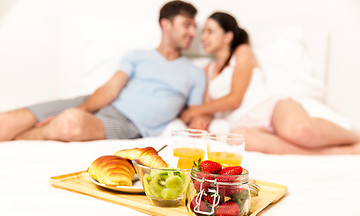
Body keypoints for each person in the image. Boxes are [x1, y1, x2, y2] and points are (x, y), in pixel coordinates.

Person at [0, 0, 206, 142]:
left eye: (194, 26)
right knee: (6, 121)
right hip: (97, 102)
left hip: (131, 125)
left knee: (68, 123)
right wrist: (82, 108)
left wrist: (204, 120)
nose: (192, 32)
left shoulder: (194, 73)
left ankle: (15, 142)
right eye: (186, 25)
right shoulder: (136, 55)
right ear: (166, 25)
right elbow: (111, 88)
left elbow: (195, 114)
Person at [180, 12, 360, 155]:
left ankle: (356, 138)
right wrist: (199, 121)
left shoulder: (242, 52)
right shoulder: (207, 70)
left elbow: (234, 99)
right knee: (240, 140)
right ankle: (337, 152)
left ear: (228, 36)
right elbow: (208, 107)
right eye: (203, 31)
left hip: (270, 107)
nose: (203, 37)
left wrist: (193, 111)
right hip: (243, 123)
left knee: (298, 130)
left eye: (210, 31)